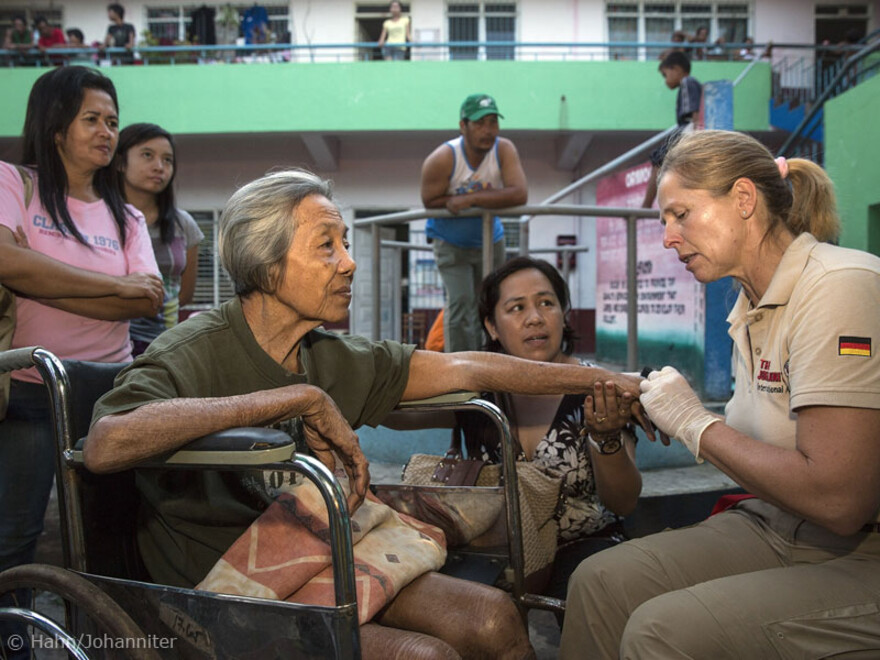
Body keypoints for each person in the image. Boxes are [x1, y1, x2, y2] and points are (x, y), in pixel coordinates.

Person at [85, 168, 649, 659]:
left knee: (495, 619)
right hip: (225, 584)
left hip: (321, 551)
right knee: (423, 656)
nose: (350, 263)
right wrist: (294, 399)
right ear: (268, 265)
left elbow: (468, 368)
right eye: (326, 246)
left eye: (346, 243)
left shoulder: (330, 356)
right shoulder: (193, 350)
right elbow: (106, 443)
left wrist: (612, 382)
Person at [560, 130, 880, 659]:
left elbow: (840, 501)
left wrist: (694, 423)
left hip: (862, 548)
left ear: (744, 199)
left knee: (662, 631)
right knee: (598, 583)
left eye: (680, 215)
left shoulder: (840, 286)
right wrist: (670, 410)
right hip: (779, 523)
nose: (668, 238)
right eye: (664, 221)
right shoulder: (748, 307)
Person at [0, 65, 162, 658]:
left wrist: (43, 278)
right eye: (91, 119)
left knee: (105, 536)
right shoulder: (13, 182)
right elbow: (6, 264)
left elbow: (150, 297)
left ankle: (101, 645)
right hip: (28, 385)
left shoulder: (127, 215)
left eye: (112, 121)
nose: (106, 131)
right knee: (15, 535)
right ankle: (13, 645)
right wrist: (114, 287)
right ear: (55, 125)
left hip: (108, 395)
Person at [463, 257, 640, 610]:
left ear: (564, 313)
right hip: (497, 550)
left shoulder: (598, 387)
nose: (535, 318)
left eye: (546, 303)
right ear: (492, 326)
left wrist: (605, 438)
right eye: (517, 308)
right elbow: (391, 407)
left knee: (588, 593)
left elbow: (623, 503)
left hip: (583, 547)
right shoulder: (476, 395)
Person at [420, 93, 528, 352]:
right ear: (463, 126)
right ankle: (460, 365)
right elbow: (429, 200)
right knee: (461, 301)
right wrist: (489, 198)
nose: (487, 130)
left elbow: (519, 194)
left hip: (491, 239)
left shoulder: (504, 149)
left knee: (491, 301)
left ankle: (492, 358)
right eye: (479, 123)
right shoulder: (444, 158)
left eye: (493, 122)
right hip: (450, 242)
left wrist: (470, 199)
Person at [117, 123, 205, 355]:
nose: (159, 167)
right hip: (111, 343)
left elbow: (185, 293)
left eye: (167, 160)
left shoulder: (183, 224)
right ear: (120, 162)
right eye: (147, 155)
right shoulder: (101, 218)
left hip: (163, 345)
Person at [641, 51, 702, 209]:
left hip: (689, 130)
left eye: (665, 74)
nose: (665, 80)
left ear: (676, 69)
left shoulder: (687, 82)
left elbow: (695, 112)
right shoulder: (687, 84)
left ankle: (646, 205)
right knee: (660, 160)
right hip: (687, 129)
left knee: (659, 159)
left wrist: (696, 137)